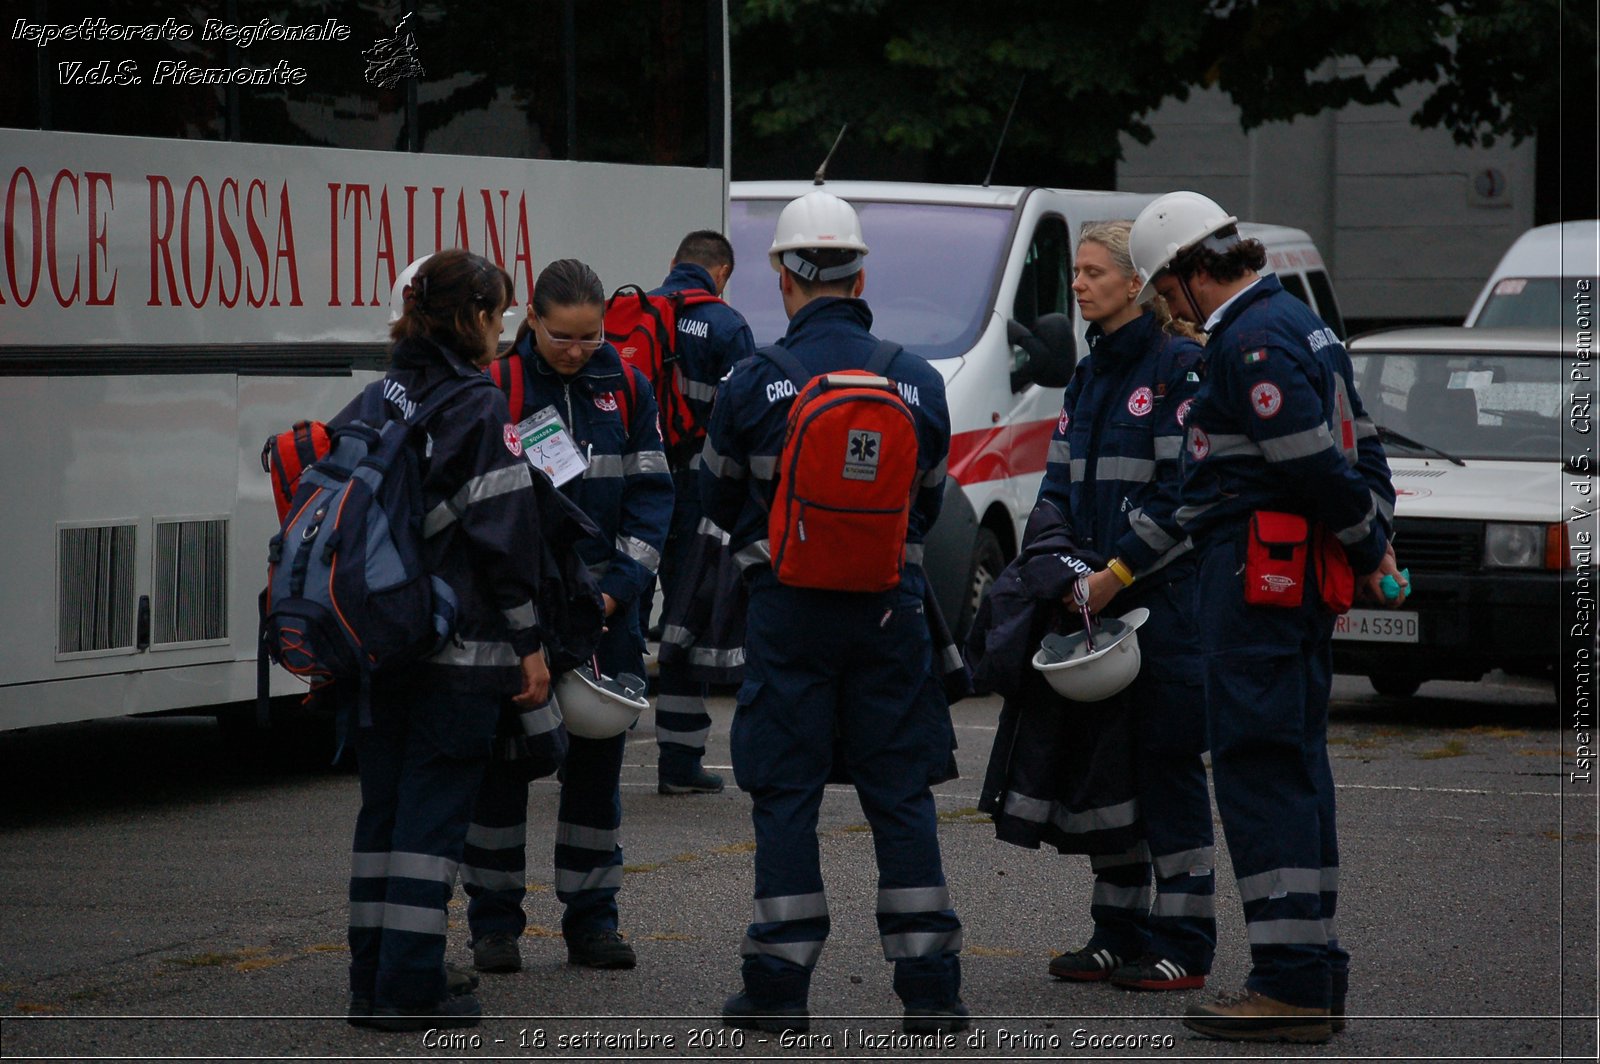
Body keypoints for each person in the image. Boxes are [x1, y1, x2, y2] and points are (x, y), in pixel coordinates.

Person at [1129, 191, 1407, 1043]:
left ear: (1187, 271)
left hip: (1257, 585)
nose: (1167, 309)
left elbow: (1315, 461)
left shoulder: (1247, 340)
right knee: (1295, 770)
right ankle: (1310, 972)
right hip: (1285, 583)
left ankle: (1289, 985)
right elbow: (1367, 445)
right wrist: (1376, 538)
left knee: (1259, 774)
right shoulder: (1301, 323)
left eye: (1164, 291)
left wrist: (1365, 546)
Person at [700, 190, 966, 1035]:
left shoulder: (751, 381)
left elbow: (715, 502)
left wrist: (769, 568)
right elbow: (926, 506)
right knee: (900, 793)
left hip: (788, 614)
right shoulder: (918, 381)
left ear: (782, 274)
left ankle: (778, 986)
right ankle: (931, 990)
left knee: (786, 793)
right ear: (860, 272)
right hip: (892, 615)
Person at [345, 249, 545, 1032]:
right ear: (471, 318)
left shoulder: (378, 394)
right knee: (432, 825)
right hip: (457, 653)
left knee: (383, 817)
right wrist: (529, 643)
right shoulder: (476, 407)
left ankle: (371, 978)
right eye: (496, 315)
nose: (501, 330)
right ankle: (410, 988)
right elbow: (506, 540)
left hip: (378, 644)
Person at [461, 258, 673, 975]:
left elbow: (654, 497)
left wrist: (616, 590)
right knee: (499, 771)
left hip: (605, 617)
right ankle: (494, 927)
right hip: (516, 616)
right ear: (532, 322)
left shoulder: (630, 386)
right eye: (563, 338)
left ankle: (593, 921)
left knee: (595, 774)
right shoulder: (499, 387)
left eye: (591, 338)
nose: (579, 351)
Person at [1030, 220, 1216, 991]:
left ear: (1134, 283)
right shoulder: (1087, 373)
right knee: (1106, 770)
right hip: (1096, 611)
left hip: (1165, 608)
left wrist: (1112, 573)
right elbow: (1054, 490)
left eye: (1093, 272)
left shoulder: (1180, 368)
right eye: (1074, 272)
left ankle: (1184, 943)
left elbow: (1186, 498)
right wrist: (1065, 566)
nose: (1077, 285)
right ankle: (1116, 931)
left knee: (1168, 773)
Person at [648, 230, 755, 795]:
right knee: (684, 614)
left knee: (616, 609)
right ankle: (679, 763)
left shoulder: (637, 313)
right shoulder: (727, 326)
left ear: (674, 263)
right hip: (693, 487)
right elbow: (742, 418)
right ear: (722, 275)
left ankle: (587, 753)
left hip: (633, 485)